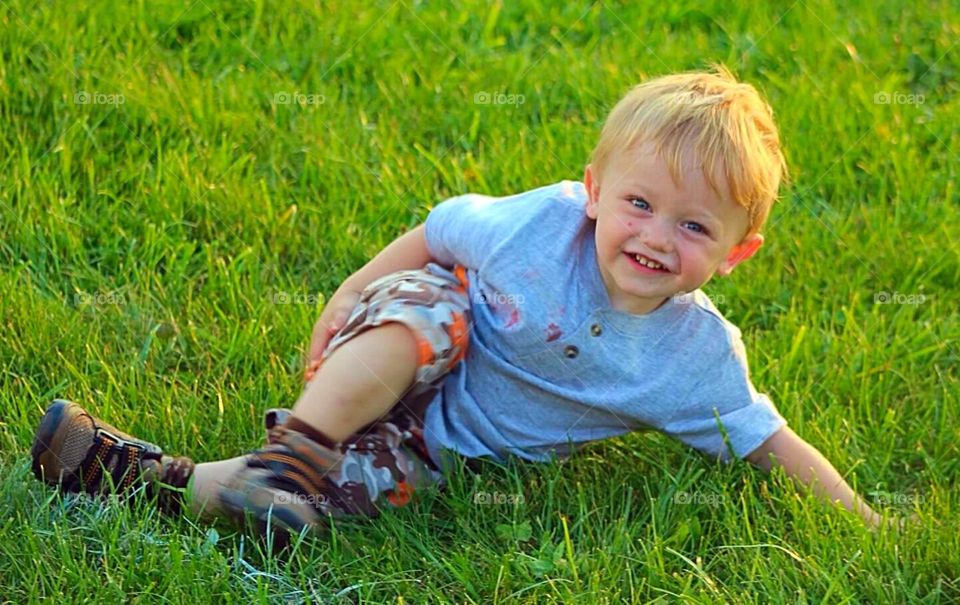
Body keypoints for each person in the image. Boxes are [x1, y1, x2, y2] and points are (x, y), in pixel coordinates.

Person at [31, 66, 889, 538]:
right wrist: (352, 291)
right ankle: (300, 441)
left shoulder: (692, 359)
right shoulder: (534, 230)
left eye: (694, 226)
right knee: (432, 314)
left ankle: (139, 475)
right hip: (414, 337)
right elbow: (440, 235)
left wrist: (861, 518)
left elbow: (764, 438)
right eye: (638, 204)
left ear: (738, 253)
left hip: (430, 441)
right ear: (593, 191)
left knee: (338, 497)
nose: (658, 237)